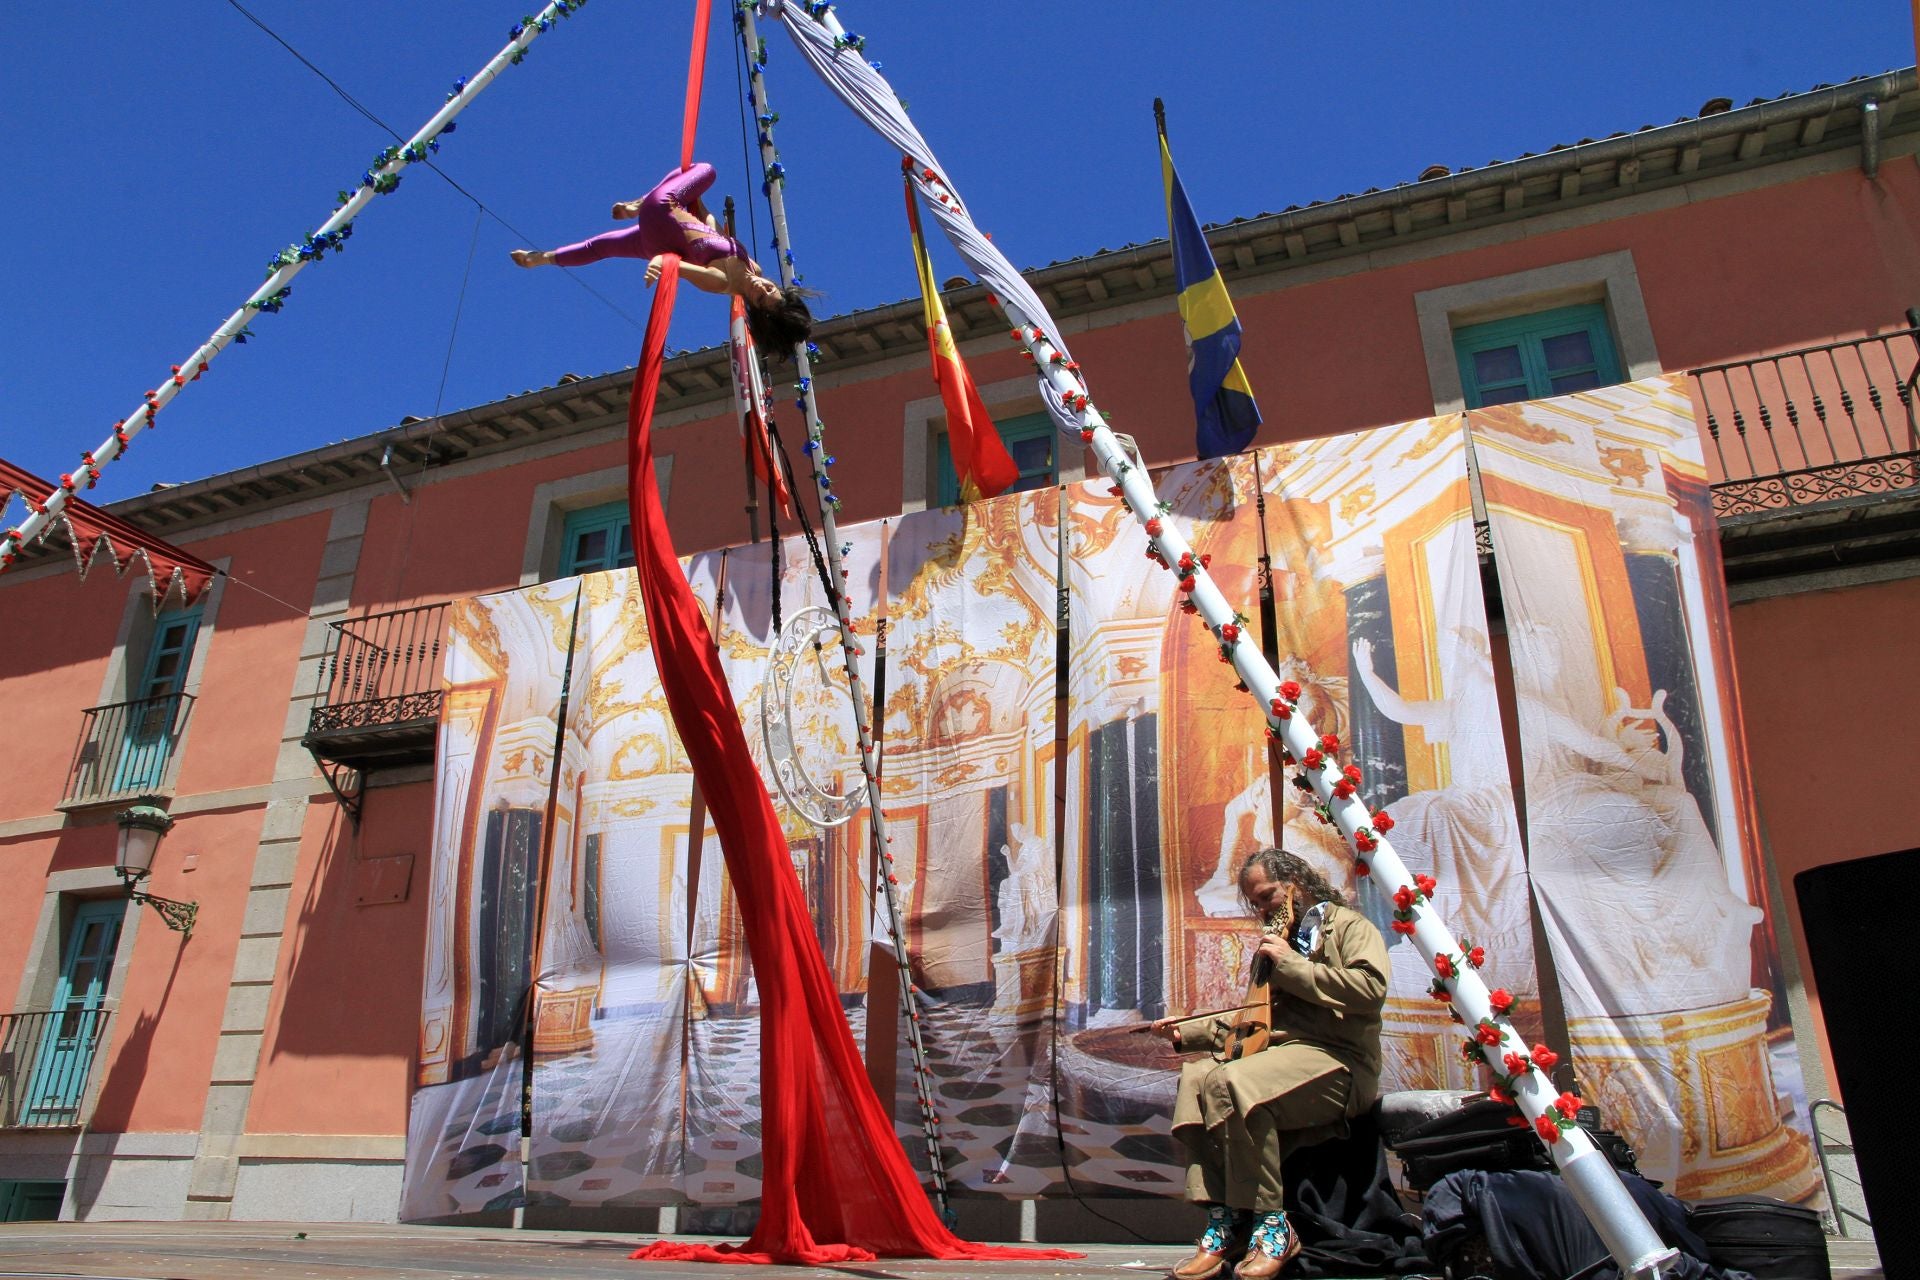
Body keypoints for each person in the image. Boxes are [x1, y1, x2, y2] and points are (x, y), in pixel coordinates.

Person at [1152, 849, 1389, 1280]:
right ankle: (1224, 1221)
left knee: (1233, 1081)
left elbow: (1370, 989)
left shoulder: (1346, 926)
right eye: (1255, 903)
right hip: (1281, 1059)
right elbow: (1255, 1024)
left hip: (1339, 1061)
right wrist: (1187, 1034)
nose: (1263, 909)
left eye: (1268, 896)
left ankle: (1272, 1225)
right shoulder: (1277, 944)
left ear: (1297, 883)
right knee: (1197, 1077)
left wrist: (1291, 964)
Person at [511, 162, 814, 354]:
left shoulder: (723, 283)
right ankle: (541, 258)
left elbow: (678, 267)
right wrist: (699, 202)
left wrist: (661, 264)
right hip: (657, 239)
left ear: (755, 308)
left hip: (662, 209)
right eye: (770, 290)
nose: (761, 289)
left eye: (761, 299)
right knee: (599, 248)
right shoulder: (753, 265)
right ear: (775, 284)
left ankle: (639, 204)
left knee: (705, 170)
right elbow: (711, 230)